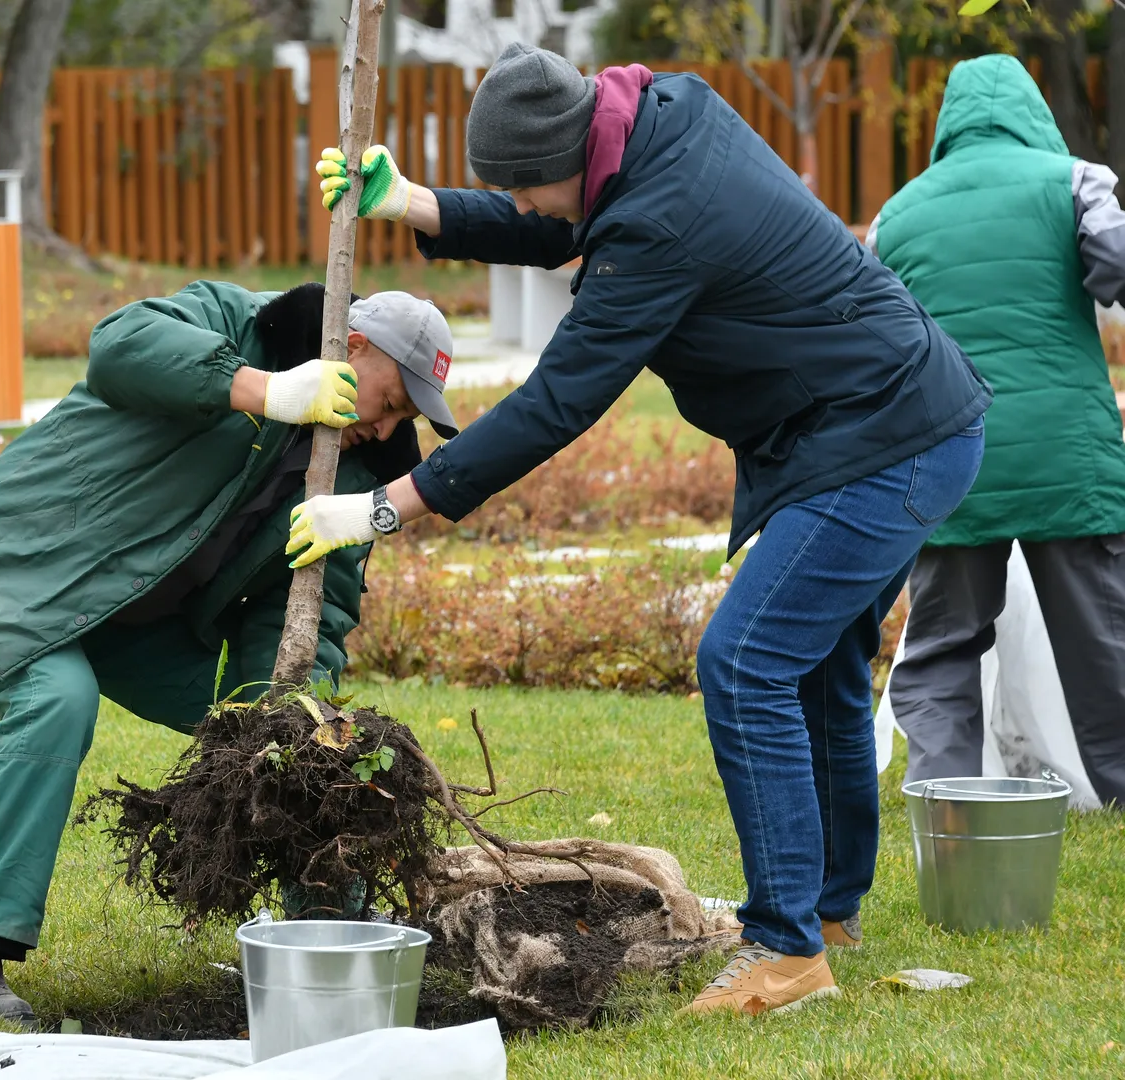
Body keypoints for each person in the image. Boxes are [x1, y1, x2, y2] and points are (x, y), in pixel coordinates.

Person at [296, 43, 991, 1014]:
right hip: (879, 421)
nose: (531, 211)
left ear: (571, 156)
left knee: (744, 661)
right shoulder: (658, 124)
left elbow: (556, 403)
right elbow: (566, 217)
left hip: (885, 439)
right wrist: (415, 201)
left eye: (526, 192)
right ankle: (826, 912)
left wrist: (384, 507)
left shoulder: (663, 221)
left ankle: (787, 951)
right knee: (821, 664)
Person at [0, 281, 457, 1025]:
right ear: (355, 347)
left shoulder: (354, 470)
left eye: (406, 416)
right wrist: (263, 388)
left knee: (298, 747)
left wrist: (292, 716)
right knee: (56, 700)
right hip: (20, 561)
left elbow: (311, 609)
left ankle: (327, 938)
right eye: (393, 400)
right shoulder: (239, 324)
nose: (389, 425)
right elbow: (119, 348)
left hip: (140, 624)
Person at [868, 55, 1125, 807]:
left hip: (951, 462)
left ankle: (944, 797)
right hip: (1065, 458)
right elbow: (1116, 270)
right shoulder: (1075, 182)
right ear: (1032, 110)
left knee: (944, 644)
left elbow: (869, 334)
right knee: (1104, 644)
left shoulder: (898, 214)